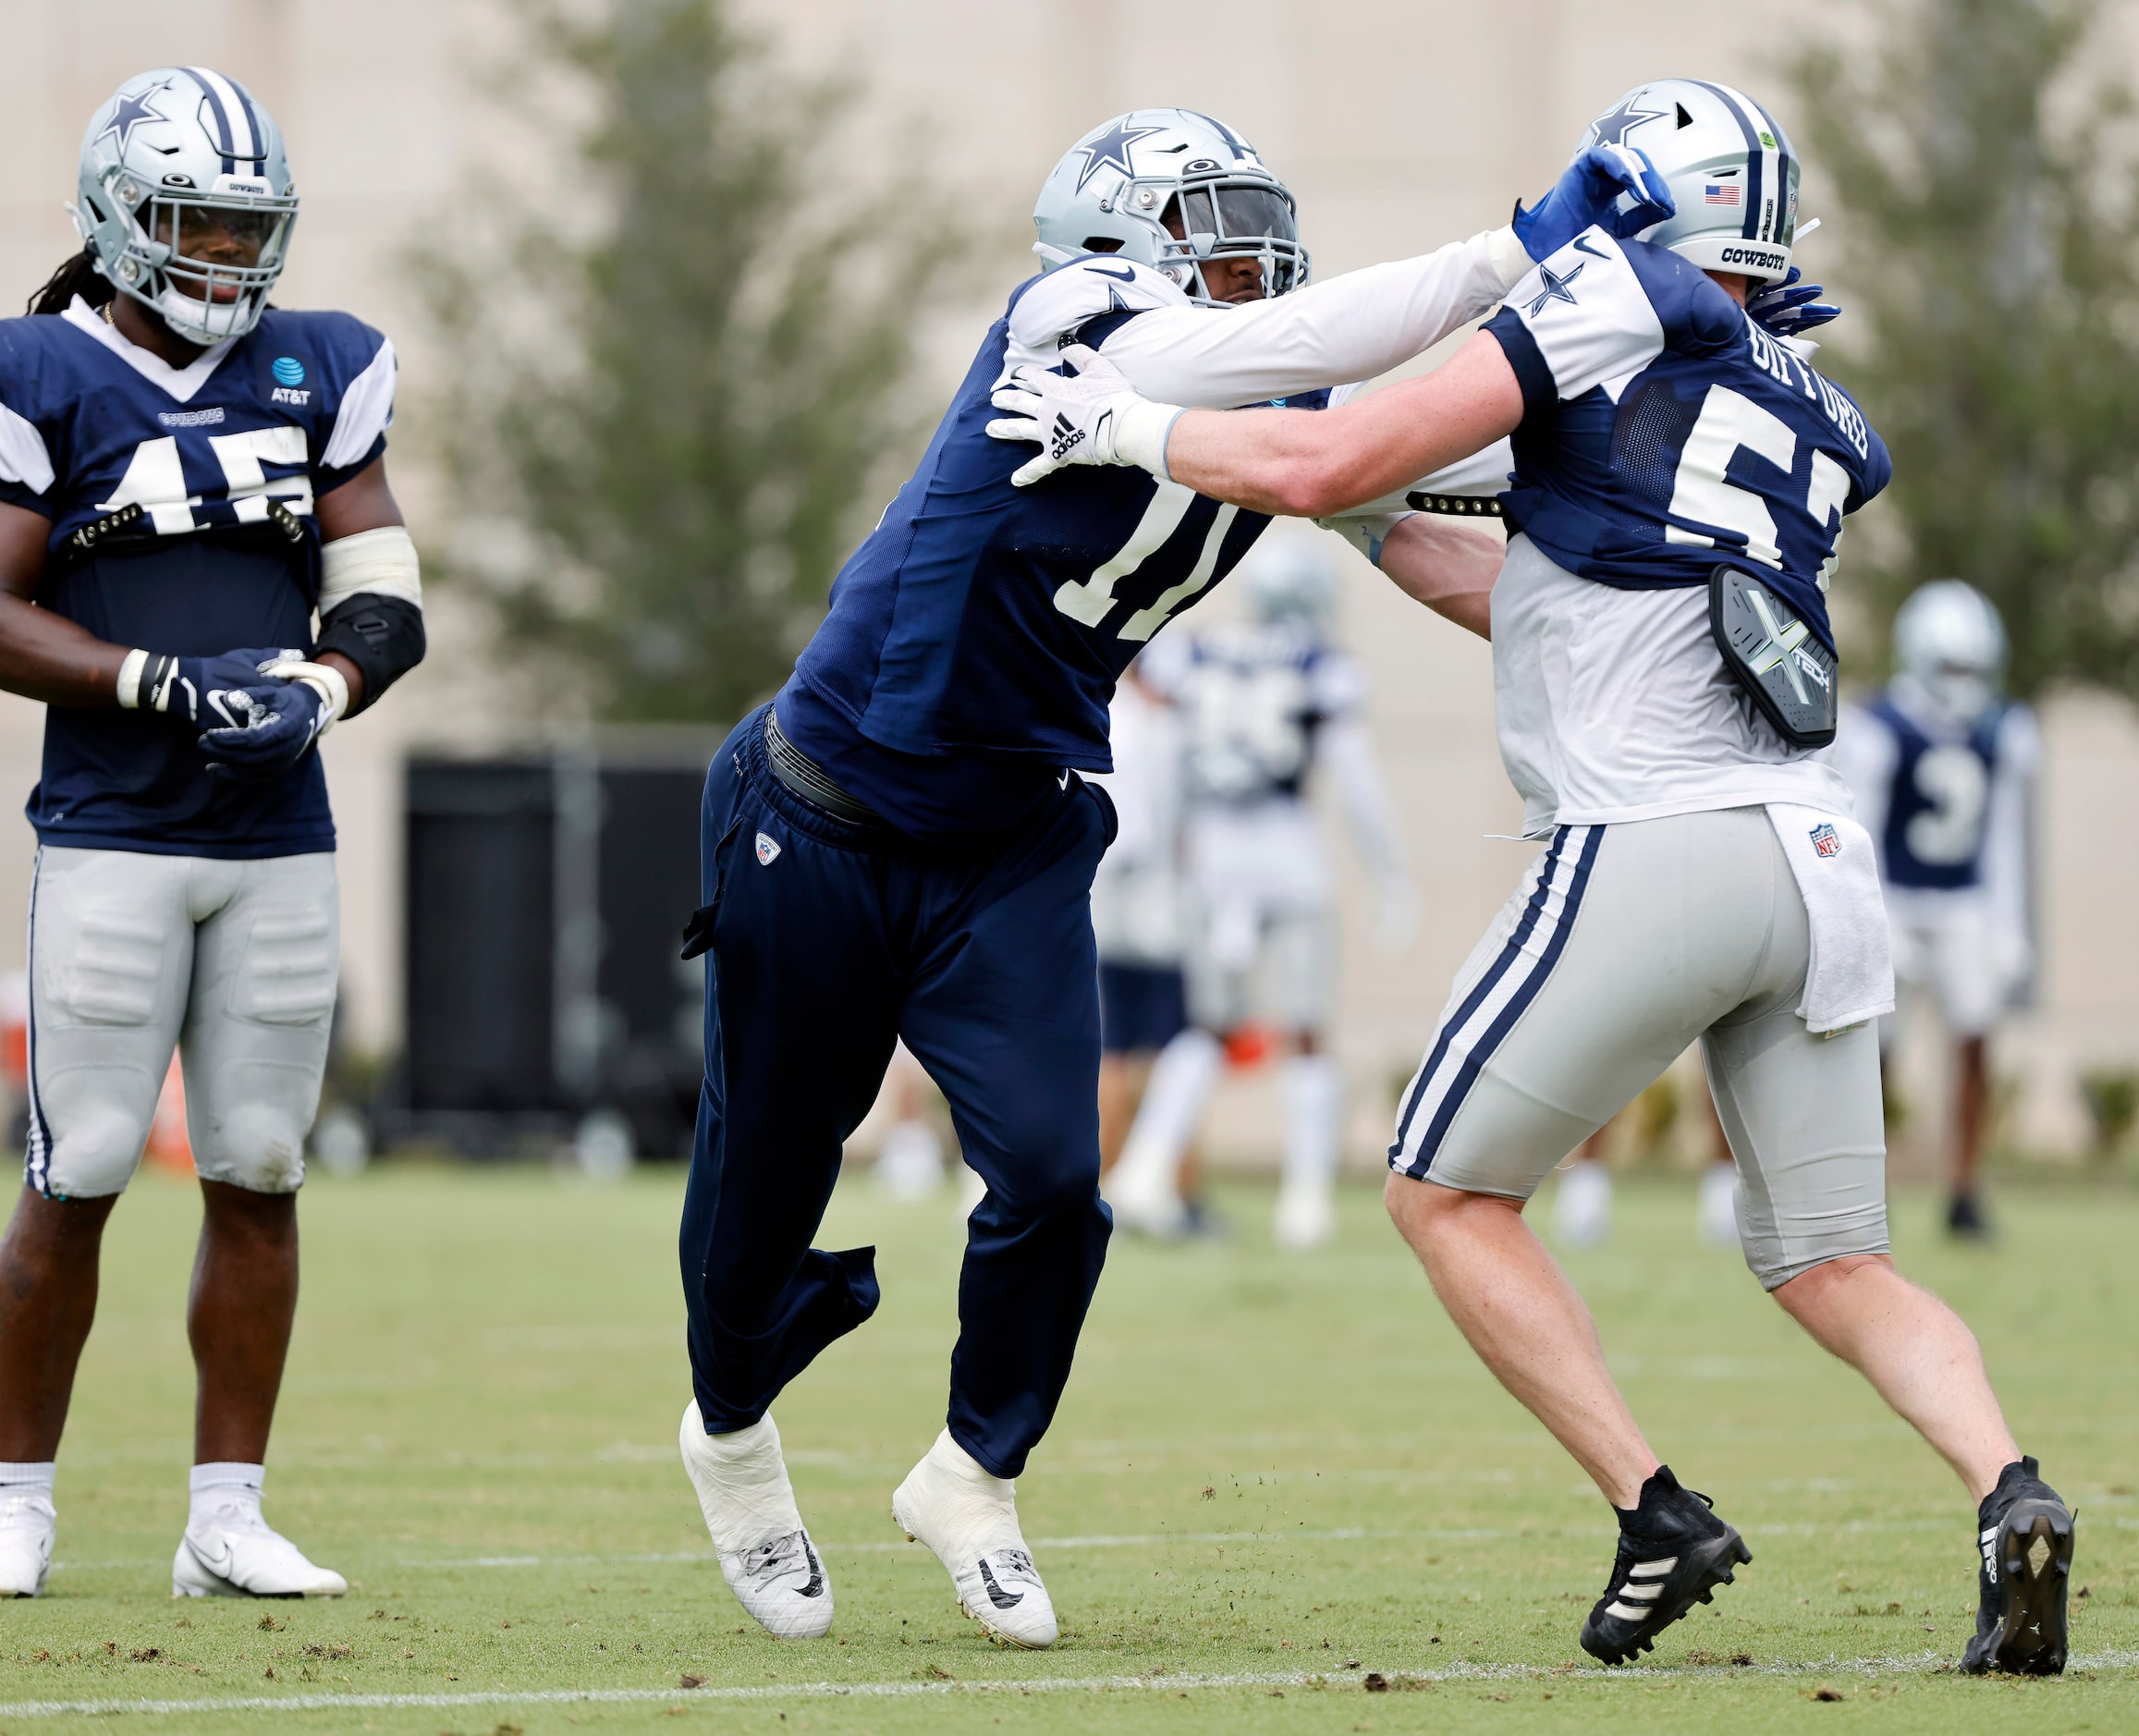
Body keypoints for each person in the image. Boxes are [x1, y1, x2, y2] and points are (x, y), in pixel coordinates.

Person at [990, 79, 2076, 1678]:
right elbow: (1557, 596)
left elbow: (1344, 445)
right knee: (1839, 1260)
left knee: (1440, 1188)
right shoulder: (1810, 414)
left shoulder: (1616, 295)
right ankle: (2011, 1490)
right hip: (1815, 858)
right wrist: (1370, 521)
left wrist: (1124, 425)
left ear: (1649, 203)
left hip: (1656, 841)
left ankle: (1652, 1508)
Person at [668, 107, 1676, 1648]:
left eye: (1255, 233)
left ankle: (975, 1471)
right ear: (1111, 242)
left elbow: (1432, 527)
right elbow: (1325, 353)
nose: (1249, 265)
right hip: (822, 810)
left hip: (1008, 835)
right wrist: (1510, 259)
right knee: (766, 1189)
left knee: (1060, 1181)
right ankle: (730, 1424)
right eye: (1212, 233)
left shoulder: (1262, 395)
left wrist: (1655, 553)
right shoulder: (1059, 329)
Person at [0, 68, 422, 1601]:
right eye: (193, 222)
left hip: (278, 832)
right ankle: (17, 1502)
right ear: (118, 221)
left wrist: (322, 691)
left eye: (243, 226)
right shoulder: (33, 373)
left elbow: (389, 597)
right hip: (113, 829)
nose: (221, 255)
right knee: (77, 1160)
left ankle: (228, 1511)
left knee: (259, 1162)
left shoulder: (319, 364)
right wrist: (161, 682)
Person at [1107, 535, 1414, 1249]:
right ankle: (1303, 1202)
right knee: (1305, 1030)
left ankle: (1145, 1171)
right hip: (1286, 849)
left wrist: (1164, 859)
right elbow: (1356, 776)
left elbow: (1167, 762)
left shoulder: (1198, 653)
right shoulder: (1320, 665)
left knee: (1207, 1025)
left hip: (1213, 852)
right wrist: (1388, 873)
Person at [1836, 581, 2036, 1238]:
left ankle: (1966, 1186)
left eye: (1973, 668)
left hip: (1962, 902)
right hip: (1896, 898)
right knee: (1877, 1051)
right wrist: (1873, 922)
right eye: (1953, 667)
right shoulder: (1878, 729)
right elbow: (1863, 832)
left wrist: (2009, 926)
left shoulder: (2005, 732)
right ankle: (1870, 1190)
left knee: (1976, 1037)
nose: (1964, 682)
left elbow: (2005, 837)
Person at [1090, 666, 1201, 1217]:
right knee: (1177, 1041)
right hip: (1146, 891)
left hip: (1097, 886)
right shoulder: (1153, 723)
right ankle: (1162, 1183)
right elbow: (1170, 819)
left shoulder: (1090, 712)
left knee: (1111, 1044)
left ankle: (1107, 1180)